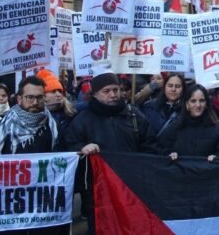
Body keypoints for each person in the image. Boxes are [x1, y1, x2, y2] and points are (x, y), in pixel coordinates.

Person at [65, 63, 158, 235]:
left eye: (116, 89)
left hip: (131, 191)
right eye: (106, 91)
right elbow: (69, 149)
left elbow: (150, 146)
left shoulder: (134, 116)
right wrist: (82, 149)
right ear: (95, 94)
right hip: (98, 196)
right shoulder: (82, 121)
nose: (113, 95)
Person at [0, 76, 61, 155]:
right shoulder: (2, 128)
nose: (35, 102)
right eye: (30, 97)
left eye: (40, 97)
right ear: (19, 99)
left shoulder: (53, 126)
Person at [159, 84, 219, 161]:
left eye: (202, 101)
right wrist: (169, 154)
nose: (198, 105)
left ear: (206, 104)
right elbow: (161, 148)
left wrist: (217, 157)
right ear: (187, 104)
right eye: (193, 101)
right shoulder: (175, 127)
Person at [36, 69, 76, 137]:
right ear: (43, 96)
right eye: (53, 91)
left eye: (60, 91)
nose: (58, 94)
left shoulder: (72, 111)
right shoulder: (34, 119)